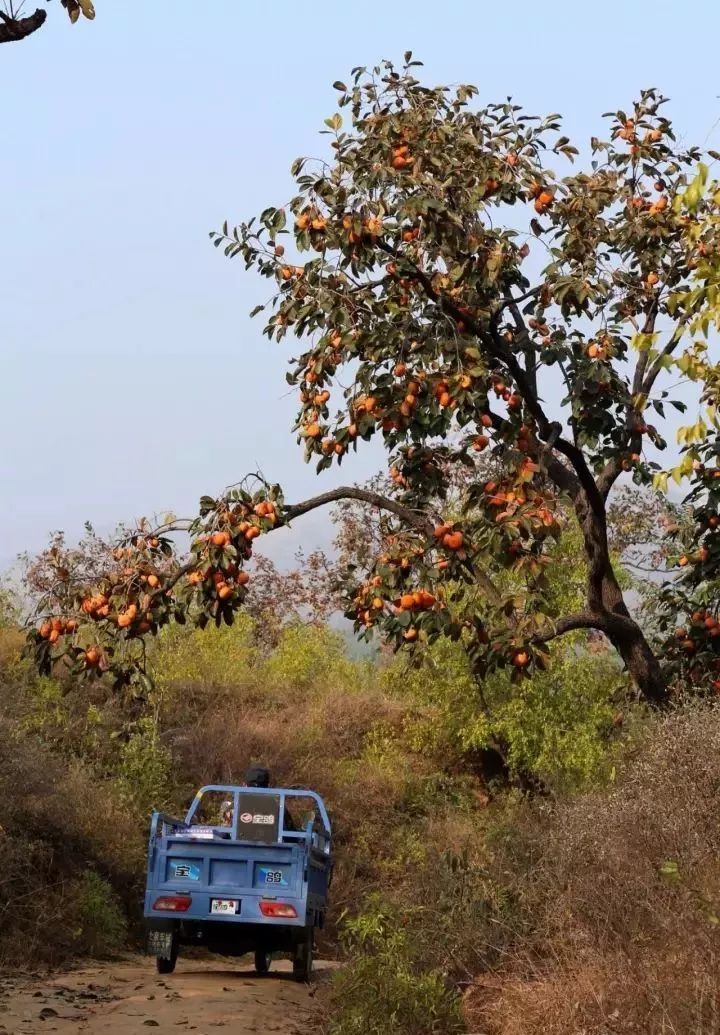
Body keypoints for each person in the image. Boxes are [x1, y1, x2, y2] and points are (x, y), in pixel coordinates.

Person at [244, 766, 298, 832]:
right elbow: (291, 835)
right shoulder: (279, 806)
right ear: (268, 786)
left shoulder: (236, 805)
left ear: (245, 786)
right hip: (271, 842)